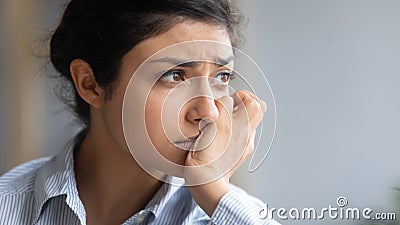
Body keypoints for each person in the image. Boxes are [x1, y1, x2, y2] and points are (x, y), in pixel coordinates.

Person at [0, 0, 279, 224]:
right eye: (175, 75)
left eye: (222, 76)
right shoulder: (7, 207)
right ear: (90, 84)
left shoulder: (227, 213)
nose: (208, 111)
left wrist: (215, 191)